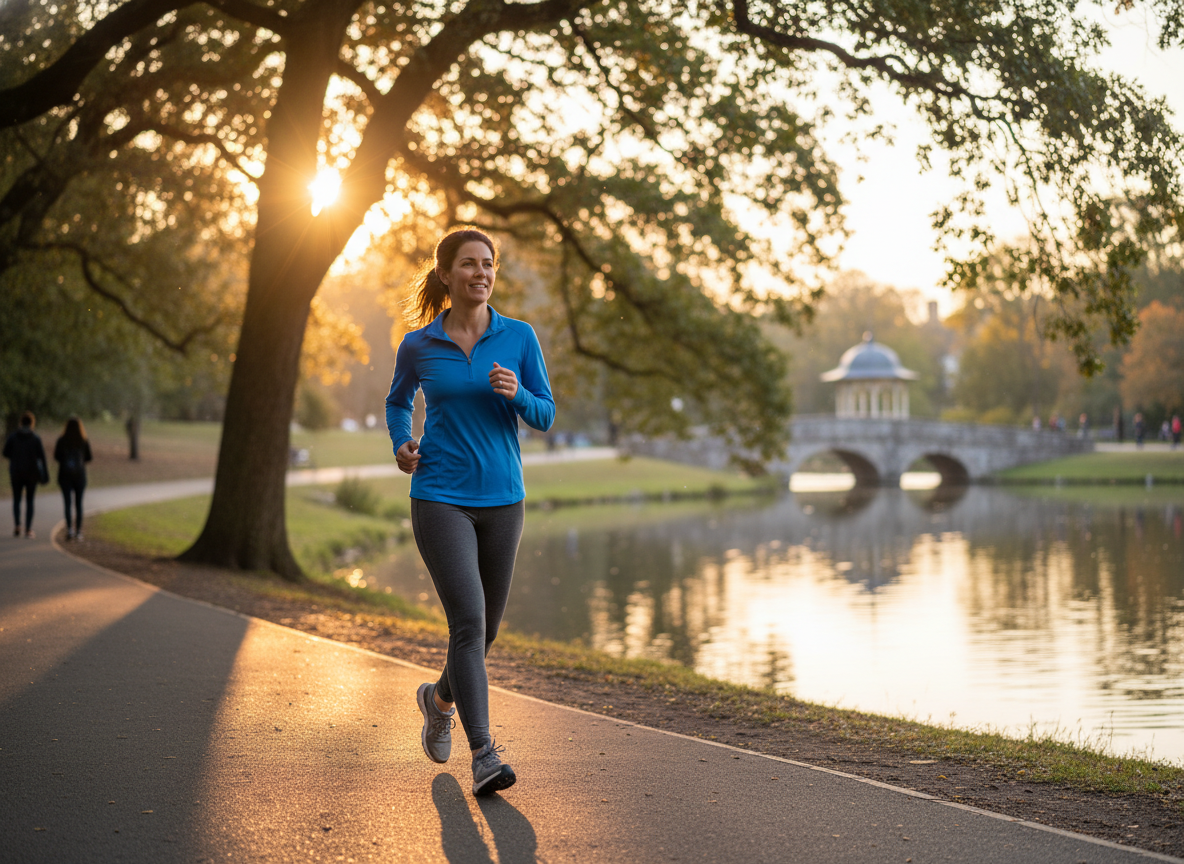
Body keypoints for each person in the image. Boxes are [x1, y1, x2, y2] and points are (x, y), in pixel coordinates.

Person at [385, 229, 555, 797]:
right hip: (439, 497)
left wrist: (518, 395)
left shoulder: (520, 337)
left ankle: (437, 700)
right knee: (468, 621)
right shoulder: (419, 345)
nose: (480, 273)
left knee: (486, 632)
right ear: (445, 275)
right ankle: (484, 753)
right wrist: (400, 441)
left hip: (503, 500)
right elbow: (396, 400)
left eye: (488, 264)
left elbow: (546, 415)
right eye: (468, 264)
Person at [4, 411, 48, 538]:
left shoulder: (13, 437)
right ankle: (28, 529)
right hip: (31, 474)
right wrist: (45, 476)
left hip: (16, 472)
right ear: (32, 423)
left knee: (16, 499)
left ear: (21, 422)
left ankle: (17, 525)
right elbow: (42, 457)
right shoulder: (35, 438)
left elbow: (5, 453)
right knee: (30, 501)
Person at [53, 417, 93, 541]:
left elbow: (56, 456)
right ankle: (79, 531)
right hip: (80, 476)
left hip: (64, 476)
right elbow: (89, 458)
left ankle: (69, 529)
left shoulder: (62, 440)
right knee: (79, 504)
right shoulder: (83, 440)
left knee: (67, 503)